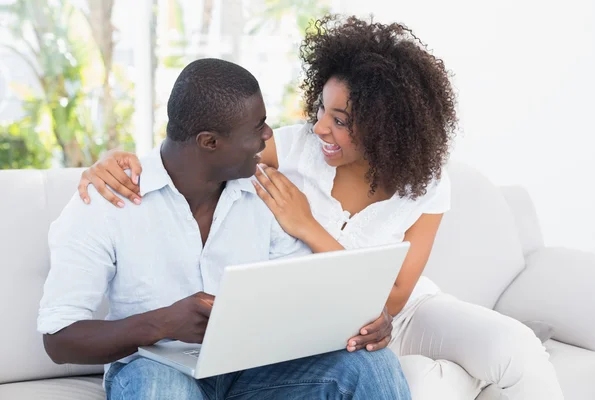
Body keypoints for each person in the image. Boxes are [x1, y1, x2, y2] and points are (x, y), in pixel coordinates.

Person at [77, 16, 565, 400]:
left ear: (385, 126)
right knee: (425, 384)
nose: (320, 129)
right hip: (328, 329)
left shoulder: (427, 180)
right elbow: (198, 151)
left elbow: (393, 298)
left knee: (514, 347)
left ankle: (466, 373)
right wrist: (116, 164)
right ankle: (455, 380)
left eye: (340, 119)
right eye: (321, 110)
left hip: (397, 315)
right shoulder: (296, 148)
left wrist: (308, 226)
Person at [38, 58, 411, 400]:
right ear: (209, 142)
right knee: (160, 390)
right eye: (257, 127)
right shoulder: (107, 200)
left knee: (370, 366)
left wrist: (368, 320)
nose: (268, 135)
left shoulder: (268, 194)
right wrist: (162, 322)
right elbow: (59, 340)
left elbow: (305, 294)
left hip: (255, 373)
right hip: (157, 370)